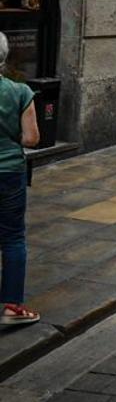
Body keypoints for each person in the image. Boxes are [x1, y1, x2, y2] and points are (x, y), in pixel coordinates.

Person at [0, 33, 39, 326]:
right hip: (10, 172)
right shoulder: (20, 92)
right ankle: (12, 307)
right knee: (12, 237)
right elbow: (32, 138)